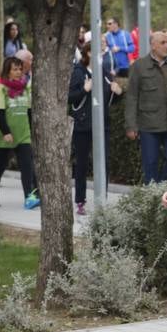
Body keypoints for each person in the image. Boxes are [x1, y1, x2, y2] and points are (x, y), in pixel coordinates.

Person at [125, 30, 167, 185]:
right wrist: (131, 125)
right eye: (163, 43)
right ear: (153, 45)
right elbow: (132, 97)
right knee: (150, 164)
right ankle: (152, 198)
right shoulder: (139, 66)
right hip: (149, 124)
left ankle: (163, 187)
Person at [68, 47, 121, 214]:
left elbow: (110, 97)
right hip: (83, 126)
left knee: (103, 162)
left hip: (101, 125)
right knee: (82, 163)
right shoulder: (78, 71)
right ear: (89, 53)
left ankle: (102, 201)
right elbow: (70, 97)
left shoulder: (104, 72)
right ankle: (80, 201)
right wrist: (84, 89)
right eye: (98, 50)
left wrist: (119, 93)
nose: (101, 55)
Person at [0, 55, 39, 209]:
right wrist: (6, 132)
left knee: (26, 165)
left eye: (20, 69)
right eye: (15, 69)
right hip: (4, 134)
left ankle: (28, 197)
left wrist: (31, 130)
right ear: (7, 71)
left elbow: (30, 110)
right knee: (0, 165)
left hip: (23, 133)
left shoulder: (26, 88)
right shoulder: (0, 89)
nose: (18, 72)